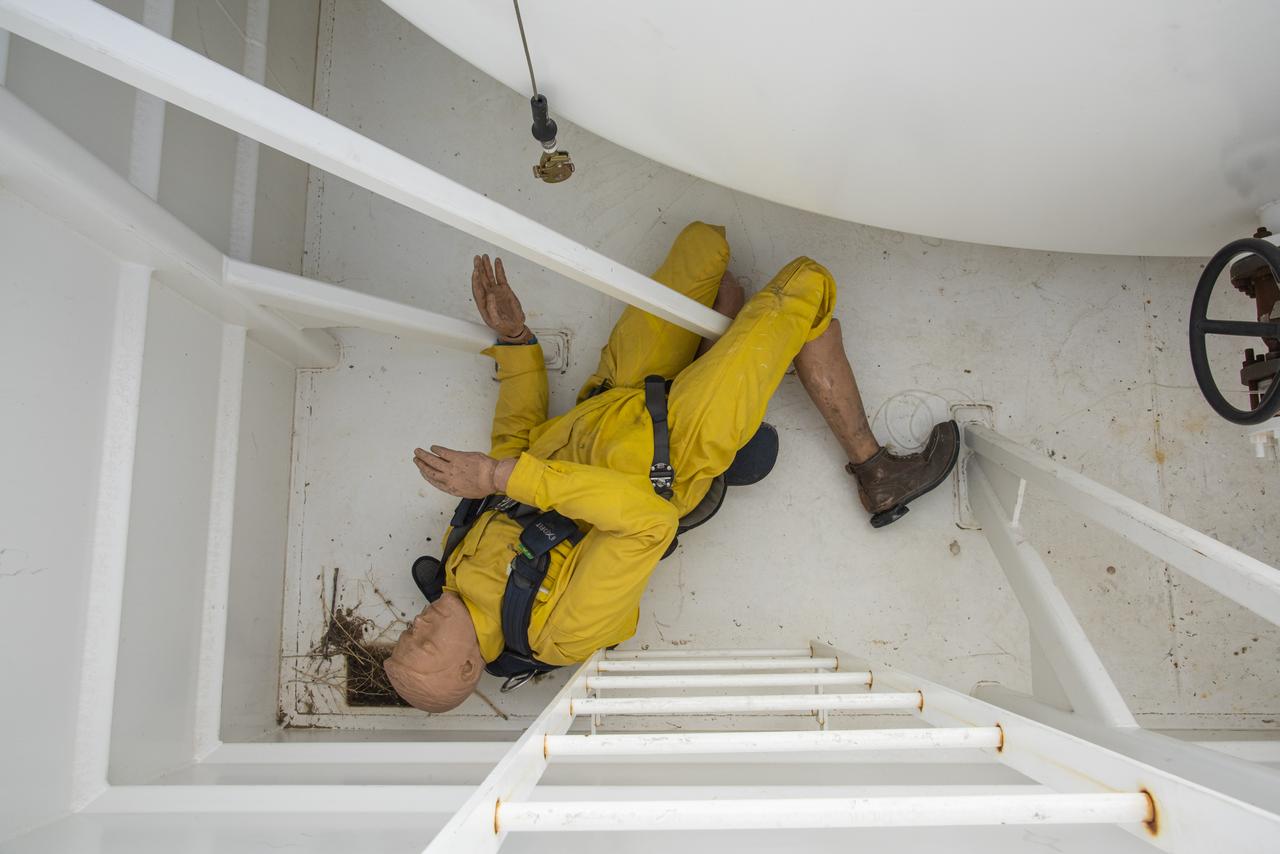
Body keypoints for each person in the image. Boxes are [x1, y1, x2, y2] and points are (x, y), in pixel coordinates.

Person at [383, 223, 958, 712]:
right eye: (426, 645)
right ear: (466, 670)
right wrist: (498, 478)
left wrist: (515, 341)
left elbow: (517, 443)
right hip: (674, 446)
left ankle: (730, 349)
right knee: (805, 285)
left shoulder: (455, 566)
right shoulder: (558, 631)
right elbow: (648, 525)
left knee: (704, 245)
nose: (419, 625)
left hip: (612, 401)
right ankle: (875, 469)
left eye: (408, 633)